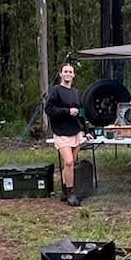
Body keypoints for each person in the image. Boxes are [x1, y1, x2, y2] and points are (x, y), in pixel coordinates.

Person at [44, 60, 84, 203]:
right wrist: (67, 111)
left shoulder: (76, 92)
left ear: (73, 75)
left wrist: (86, 130)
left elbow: (81, 112)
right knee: (68, 161)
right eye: (65, 71)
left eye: (70, 72)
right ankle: (71, 193)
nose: (68, 74)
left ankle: (65, 191)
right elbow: (49, 109)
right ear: (61, 74)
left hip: (75, 131)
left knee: (71, 164)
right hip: (61, 132)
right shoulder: (55, 90)